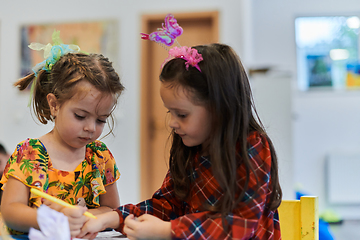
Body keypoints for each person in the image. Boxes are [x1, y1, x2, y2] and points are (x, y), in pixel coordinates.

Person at [78, 43, 282, 240]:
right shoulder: (190, 148)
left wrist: (168, 231)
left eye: (182, 114)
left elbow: (240, 223)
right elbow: (167, 205)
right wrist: (113, 217)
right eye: (170, 112)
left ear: (219, 108)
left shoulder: (252, 146)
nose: (172, 123)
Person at [0, 31, 124, 237]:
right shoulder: (29, 153)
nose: (91, 128)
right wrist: (48, 220)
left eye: (101, 120)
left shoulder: (100, 156)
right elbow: (10, 210)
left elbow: (111, 210)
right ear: (54, 105)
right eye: (80, 116)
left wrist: (85, 218)